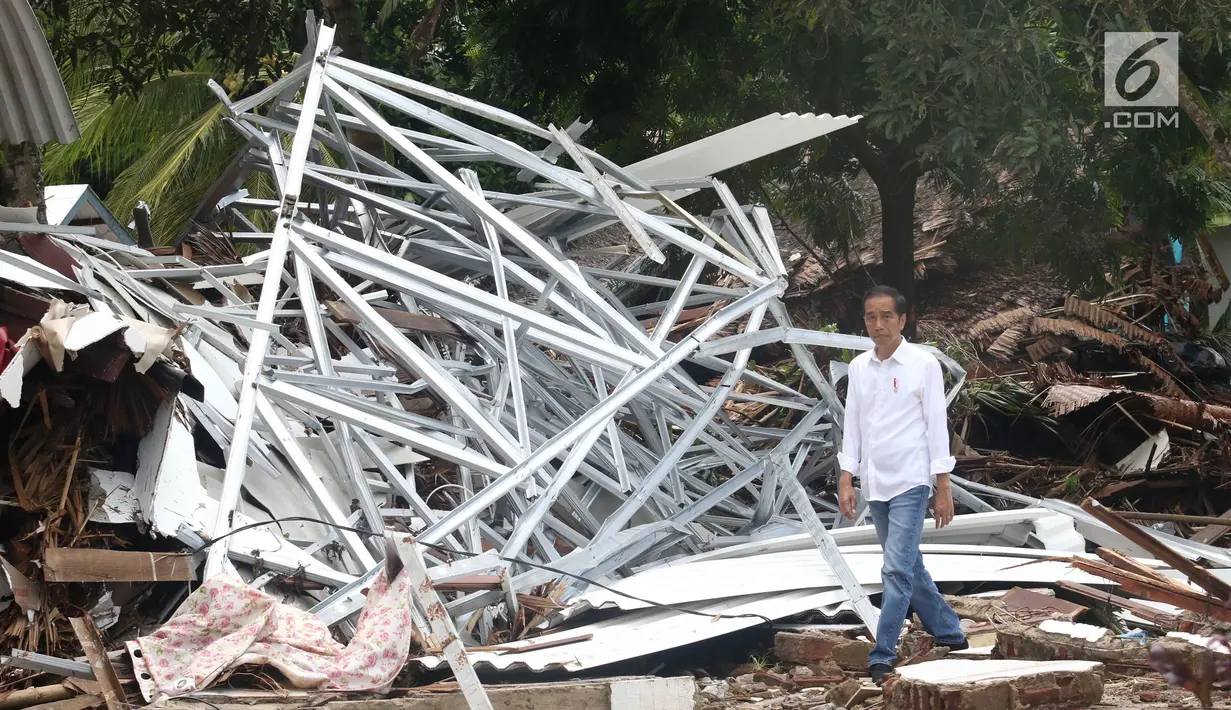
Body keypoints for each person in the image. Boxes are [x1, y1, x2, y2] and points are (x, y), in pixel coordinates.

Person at [837, 285, 968, 684]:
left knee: (895, 570)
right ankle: (950, 633)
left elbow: (935, 425)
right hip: (875, 482)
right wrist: (847, 477)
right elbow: (853, 426)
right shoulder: (859, 367)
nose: (878, 326)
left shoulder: (923, 364)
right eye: (871, 318)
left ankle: (882, 652)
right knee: (910, 565)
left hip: (911, 480)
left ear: (903, 320)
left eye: (886, 317)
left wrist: (941, 485)